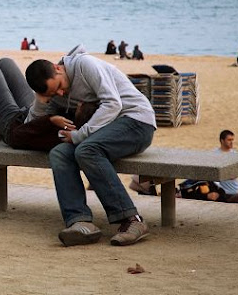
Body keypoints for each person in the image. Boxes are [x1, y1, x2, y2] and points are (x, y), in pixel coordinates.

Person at [25, 44, 156, 247]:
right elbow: (29, 126)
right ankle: (80, 222)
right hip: (104, 132)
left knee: (87, 150)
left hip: (136, 122)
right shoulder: (56, 92)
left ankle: (132, 220)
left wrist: (80, 135)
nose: (60, 93)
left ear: (57, 67)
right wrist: (41, 101)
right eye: (53, 93)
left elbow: (113, 104)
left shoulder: (85, 65)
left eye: (59, 86)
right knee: (59, 153)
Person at [0, 58, 97, 151]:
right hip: (30, 112)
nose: (78, 102)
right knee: (5, 62)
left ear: (80, 117)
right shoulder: (79, 114)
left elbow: (22, 133)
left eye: (79, 106)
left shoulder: (67, 132)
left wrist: (48, 118)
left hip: (13, 126)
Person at [179, 130, 238, 203]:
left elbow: (235, 174)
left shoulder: (234, 155)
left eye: (232, 140)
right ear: (222, 140)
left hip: (233, 190)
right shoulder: (214, 154)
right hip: (218, 191)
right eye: (229, 140)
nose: (231, 142)